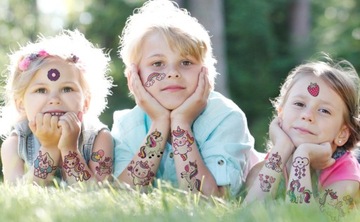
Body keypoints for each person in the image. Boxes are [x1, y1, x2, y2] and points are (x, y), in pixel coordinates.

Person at [111, 0, 261, 198]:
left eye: (186, 62)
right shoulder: (127, 125)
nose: (172, 73)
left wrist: (181, 123)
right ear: (134, 76)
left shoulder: (226, 118)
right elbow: (123, 197)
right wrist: (159, 123)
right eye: (157, 63)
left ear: (206, 72)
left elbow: (212, 201)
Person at [245, 55, 360, 220]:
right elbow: (248, 214)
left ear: (342, 134)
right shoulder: (270, 165)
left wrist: (302, 157)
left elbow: (304, 219)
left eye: (324, 111)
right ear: (281, 114)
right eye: (299, 104)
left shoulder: (346, 176)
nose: (307, 115)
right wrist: (281, 148)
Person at [0, 30, 114, 186]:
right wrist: (49, 147)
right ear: (21, 104)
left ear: (86, 102)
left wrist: (69, 148)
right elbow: (20, 198)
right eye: (41, 90)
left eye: (67, 89)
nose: (54, 100)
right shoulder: (14, 145)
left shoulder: (99, 138)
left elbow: (97, 195)